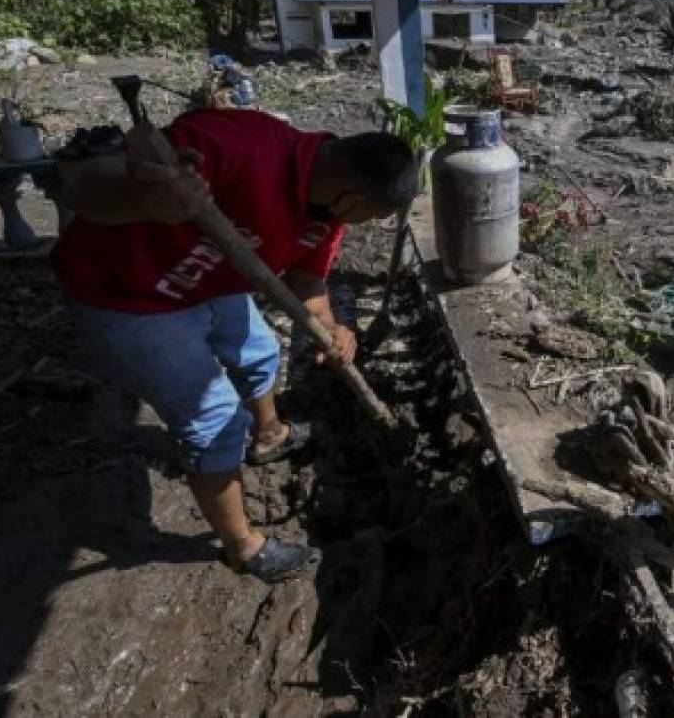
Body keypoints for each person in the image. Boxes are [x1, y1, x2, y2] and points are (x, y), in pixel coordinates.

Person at [52, 108, 418, 583]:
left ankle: (270, 436)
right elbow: (82, 184)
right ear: (352, 197)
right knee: (216, 420)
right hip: (126, 296)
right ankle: (242, 548)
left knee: (260, 350)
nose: (365, 225)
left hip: (211, 284)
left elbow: (307, 280)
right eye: (372, 218)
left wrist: (334, 329)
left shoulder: (328, 213)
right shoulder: (238, 143)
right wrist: (139, 197)